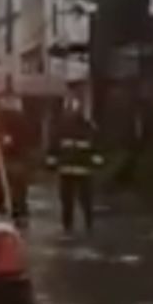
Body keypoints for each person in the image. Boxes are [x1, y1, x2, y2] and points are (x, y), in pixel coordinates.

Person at [46, 97, 103, 233]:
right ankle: (76, 224)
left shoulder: (82, 127)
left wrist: (51, 162)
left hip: (75, 170)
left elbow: (95, 147)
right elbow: (54, 147)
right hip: (77, 170)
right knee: (74, 200)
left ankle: (76, 224)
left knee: (76, 199)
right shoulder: (86, 126)